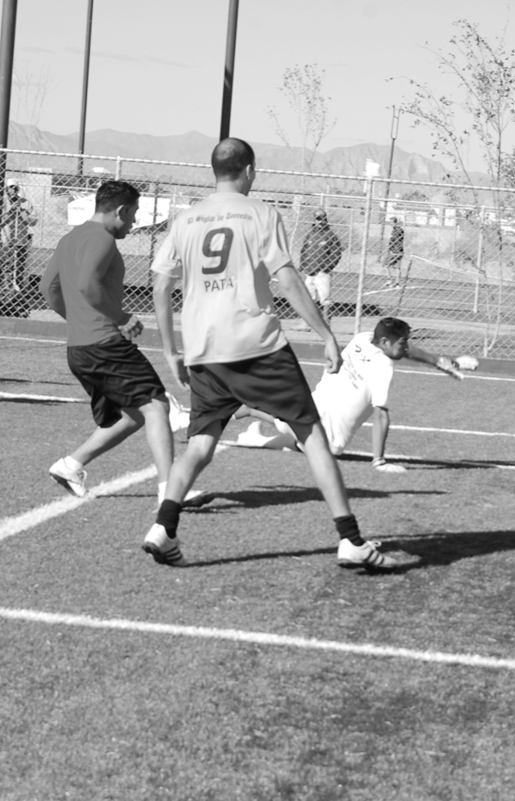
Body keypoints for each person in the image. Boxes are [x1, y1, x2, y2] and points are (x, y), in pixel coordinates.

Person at [146, 137, 394, 571]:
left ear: (214, 171)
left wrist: (170, 351)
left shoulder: (185, 219)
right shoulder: (261, 213)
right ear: (249, 171)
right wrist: (326, 334)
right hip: (256, 345)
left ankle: (162, 528)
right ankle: (350, 539)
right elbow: (288, 279)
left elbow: (161, 284)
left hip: (204, 349)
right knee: (312, 436)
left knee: (200, 444)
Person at [40, 179, 180, 508]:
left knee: (132, 415)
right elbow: (88, 284)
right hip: (104, 343)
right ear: (121, 210)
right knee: (157, 405)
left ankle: (70, 465)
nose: (133, 222)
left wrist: (77, 319)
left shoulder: (69, 238)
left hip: (79, 349)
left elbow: (48, 289)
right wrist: (120, 317)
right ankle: (172, 492)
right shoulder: (102, 238)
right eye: (133, 214)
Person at [234, 317, 465, 473]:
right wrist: (379, 461)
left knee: (314, 442)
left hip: (305, 410)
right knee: (328, 447)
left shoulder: (363, 337)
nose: (406, 348)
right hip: (318, 426)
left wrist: (438, 361)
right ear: (385, 342)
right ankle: (249, 409)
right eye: (403, 342)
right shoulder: (384, 366)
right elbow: (381, 414)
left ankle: (254, 433)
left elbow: (402, 349)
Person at [298, 208, 342, 314]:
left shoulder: (330, 235)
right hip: (309, 271)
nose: (321, 221)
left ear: (326, 220)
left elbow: (336, 254)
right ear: (314, 220)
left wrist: (326, 267)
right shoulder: (310, 234)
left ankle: (325, 320)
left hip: (322, 272)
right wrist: (303, 265)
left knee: (325, 300)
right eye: (318, 219)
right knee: (308, 299)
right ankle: (308, 320)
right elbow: (304, 251)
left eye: (323, 219)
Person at [3, 178, 37, 291]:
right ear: (6, 190)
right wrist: (11, 210)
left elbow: (33, 222)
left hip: (21, 240)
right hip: (7, 240)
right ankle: (7, 287)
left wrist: (22, 212)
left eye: (15, 188)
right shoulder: (2, 202)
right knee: (8, 265)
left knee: (20, 266)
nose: (12, 190)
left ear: (18, 189)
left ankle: (19, 288)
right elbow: (0, 222)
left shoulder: (25, 203)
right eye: (10, 188)